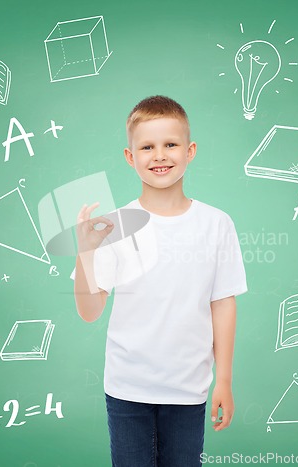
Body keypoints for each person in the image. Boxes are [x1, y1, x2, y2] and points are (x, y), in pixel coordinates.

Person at [72, 95, 247, 466]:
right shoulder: (114, 226)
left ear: (190, 150)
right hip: (126, 388)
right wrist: (85, 252)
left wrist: (225, 380)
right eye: (147, 147)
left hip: (188, 389)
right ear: (129, 156)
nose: (160, 155)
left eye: (170, 144)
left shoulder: (217, 224)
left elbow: (223, 303)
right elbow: (90, 312)